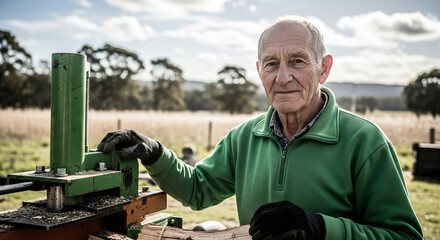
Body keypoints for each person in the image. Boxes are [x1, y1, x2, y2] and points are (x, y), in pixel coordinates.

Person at [98, 16, 423, 240]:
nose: (282, 77)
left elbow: (403, 235)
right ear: (259, 70)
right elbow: (198, 190)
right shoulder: (245, 136)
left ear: (323, 68)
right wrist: (155, 153)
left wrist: (319, 228)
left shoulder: (365, 142)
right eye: (271, 64)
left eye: (297, 61)